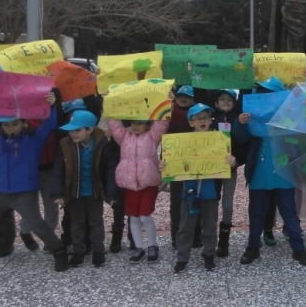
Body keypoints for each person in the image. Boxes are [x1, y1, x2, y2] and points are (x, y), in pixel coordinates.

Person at [235, 77, 306, 266]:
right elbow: (240, 138)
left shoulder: (290, 115)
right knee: (256, 212)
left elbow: (305, 133)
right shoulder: (251, 114)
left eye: (268, 92)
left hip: (284, 171)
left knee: (289, 212)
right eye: (261, 92)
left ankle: (299, 248)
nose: (264, 96)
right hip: (260, 172)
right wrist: (240, 123)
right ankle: (253, 248)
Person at [0, 94, 69, 272]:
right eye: (6, 125)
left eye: (14, 123)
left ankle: (59, 251)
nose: (10, 128)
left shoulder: (33, 139)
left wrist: (52, 106)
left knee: (36, 223)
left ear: (24, 123)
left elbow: (50, 125)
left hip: (23, 191)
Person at [165, 104, 236, 273]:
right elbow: (172, 164)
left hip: (210, 192)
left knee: (210, 225)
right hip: (188, 193)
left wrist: (232, 162)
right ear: (191, 123)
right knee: (185, 226)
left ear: (211, 121)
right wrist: (164, 165)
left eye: (206, 117)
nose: (203, 121)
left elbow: (228, 164)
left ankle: (209, 254)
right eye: (198, 118)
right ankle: (182, 257)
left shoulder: (219, 140)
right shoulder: (181, 142)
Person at [51, 110, 118, 268]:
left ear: (90, 130)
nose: (73, 133)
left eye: (77, 130)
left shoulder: (103, 144)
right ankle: (79, 251)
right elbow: (58, 169)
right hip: (74, 192)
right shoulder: (65, 145)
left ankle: (98, 251)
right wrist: (57, 192)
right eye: (71, 130)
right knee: (76, 223)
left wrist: (112, 194)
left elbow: (110, 170)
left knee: (96, 222)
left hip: (95, 192)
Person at [106, 116, 169, 263]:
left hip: (148, 182)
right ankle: (138, 247)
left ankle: (152, 245)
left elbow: (162, 123)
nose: (136, 126)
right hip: (129, 183)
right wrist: (108, 103)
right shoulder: (124, 136)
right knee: (133, 217)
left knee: (145, 215)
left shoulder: (153, 137)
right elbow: (114, 124)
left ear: (148, 125)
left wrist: (168, 102)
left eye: (140, 123)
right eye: (134, 122)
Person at [167, 85, 201, 250]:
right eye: (181, 95)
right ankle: (176, 236)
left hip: (195, 163)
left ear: (193, 99)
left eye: (187, 96)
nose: (183, 98)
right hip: (175, 163)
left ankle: (195, 235)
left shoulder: (199, 113)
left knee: (195, 198)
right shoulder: (169, 112)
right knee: (176, 201)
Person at [211, 88, 242, 258]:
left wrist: (237, 160)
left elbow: (241, 142)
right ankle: (211, 237)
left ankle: (224, 240)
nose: (226, 102)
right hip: (213, 169)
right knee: (212, 202)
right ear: (215, 103)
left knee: (228, 204)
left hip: (230, 167)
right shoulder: (210, 117)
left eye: (229, 99)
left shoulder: (237, 118)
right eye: (222, 99)